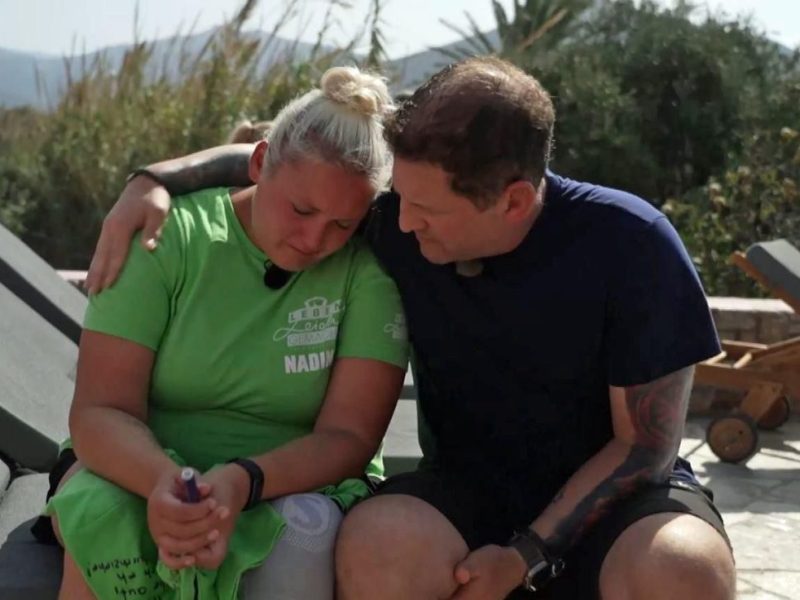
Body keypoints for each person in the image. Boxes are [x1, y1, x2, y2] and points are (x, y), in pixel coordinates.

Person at [84, 57, 736, 599]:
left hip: (614, 508)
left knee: (683, 569)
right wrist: (153, 181)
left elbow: (643, 448)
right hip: (464, 493)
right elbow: (288, 167)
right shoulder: (402, 226)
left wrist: (526, 556)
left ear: (513, 201)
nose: (398, 222)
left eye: (422, 208)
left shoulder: (632, 244)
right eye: (396, 198)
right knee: (381, 547)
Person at [42, 65, 409, 600]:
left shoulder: (368, 272)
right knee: (108, 519)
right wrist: (165, 486)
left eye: (341, 225)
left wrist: (242, 481)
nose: (314, 240)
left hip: (290, 485)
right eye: (301, 209)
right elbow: (100, 411)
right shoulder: (166, 236)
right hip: (134, 468)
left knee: (303, 540)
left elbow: (349, 438)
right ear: (259, 164)